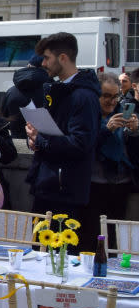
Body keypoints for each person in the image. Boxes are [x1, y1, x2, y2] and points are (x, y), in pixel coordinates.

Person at [26, 32, 101, 244]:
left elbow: (80, 143)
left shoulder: (82, 96)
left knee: (57, 258)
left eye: (47, 57)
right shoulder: (63, 89)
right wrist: (36, 139)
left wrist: (40, 139)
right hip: (50, 184)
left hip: (63, 190)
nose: (43, 63)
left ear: (63, 58)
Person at [80, 72, 139, 252]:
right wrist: (107, 129)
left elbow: (133, 154)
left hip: (121, 183)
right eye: (106, 96)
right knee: (92, 236)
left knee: (115, 238)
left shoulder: (121, 112)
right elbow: (84, 147)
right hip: (94, 185)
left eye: (115, 96)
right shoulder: (87, 115)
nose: (112, 101)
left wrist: (135, 131)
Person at [1, 54, 47, 139]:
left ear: (29, 65)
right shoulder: (53, 89)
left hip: (17, 142)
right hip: (47, 142)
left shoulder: (11, 91)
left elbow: (3, 118)